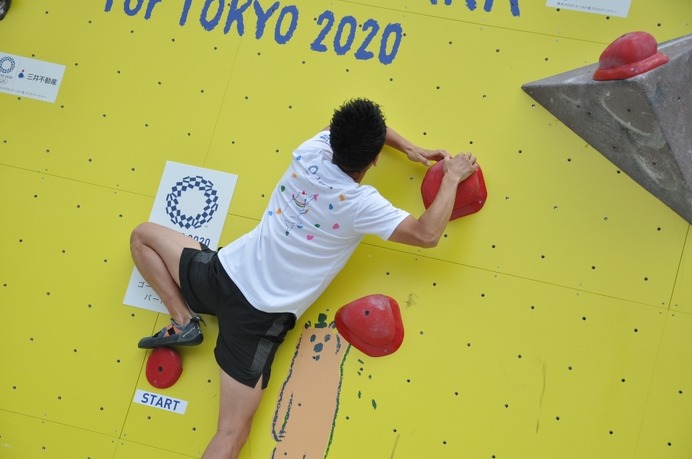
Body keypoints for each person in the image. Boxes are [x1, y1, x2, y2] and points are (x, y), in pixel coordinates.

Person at [129, 98, 478, 458]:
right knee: (231, 434)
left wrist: (406, 146)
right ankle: (186, 322)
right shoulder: (361, 204)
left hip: (221, 274)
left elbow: (346, 128)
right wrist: (451, 177)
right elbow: (427, 234)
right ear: (374, 160)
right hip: (256, 320)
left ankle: (183, 318)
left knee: (142, 236)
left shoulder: (311, 151)